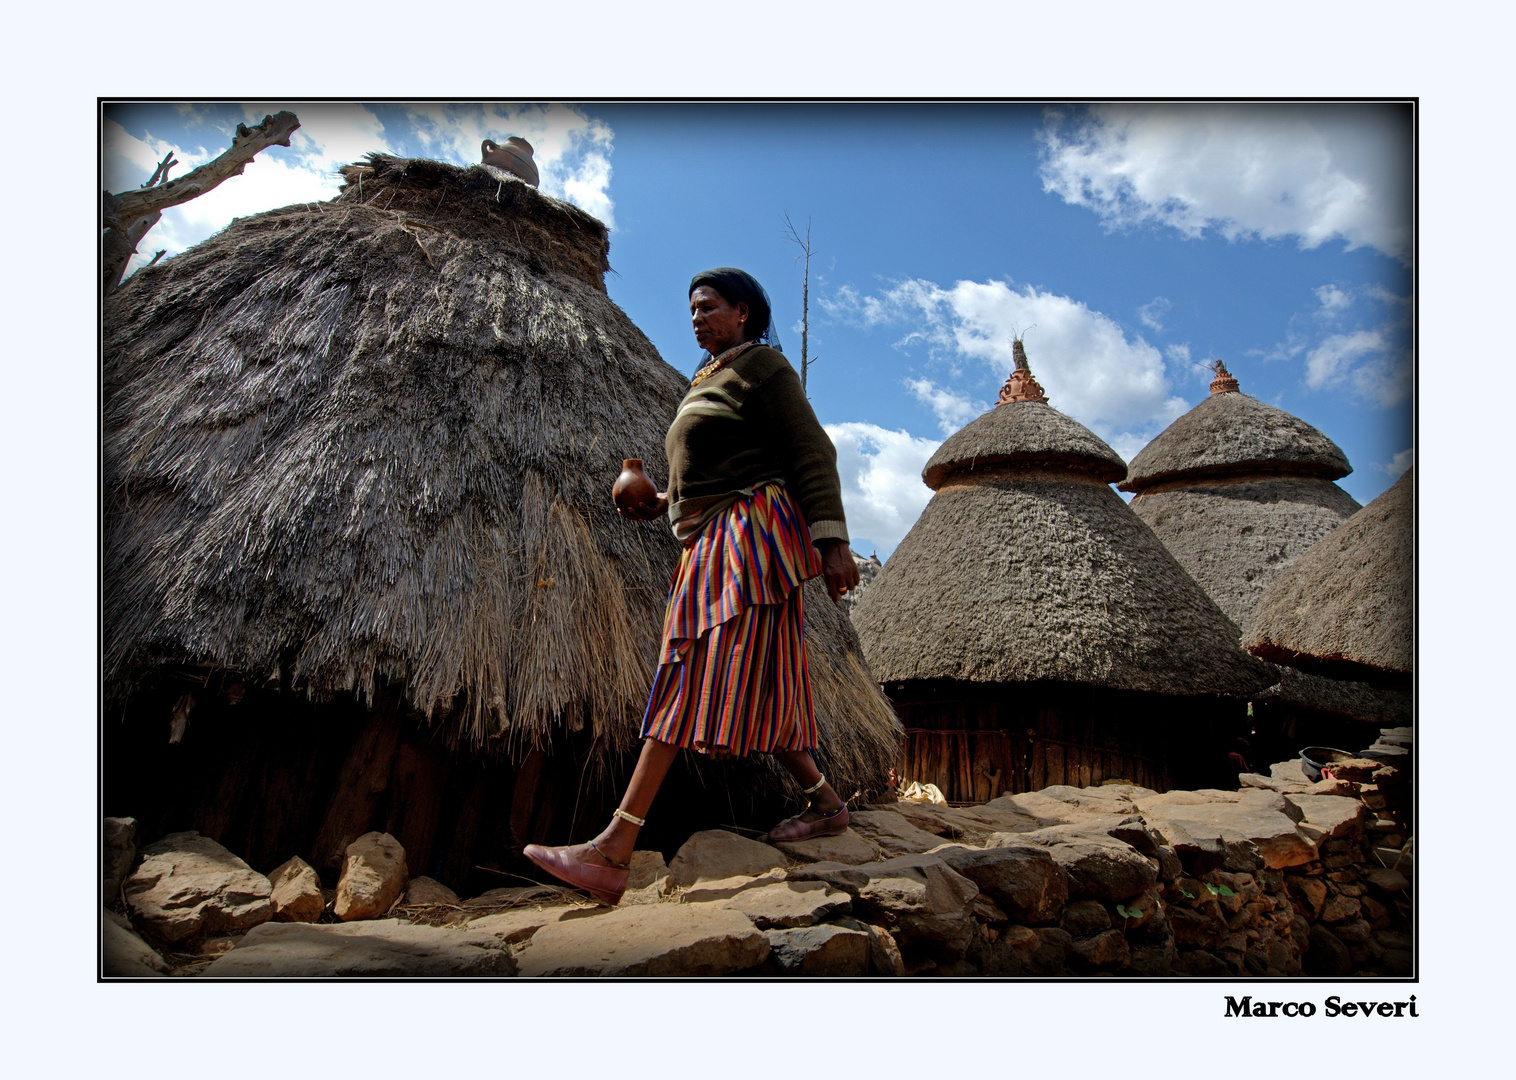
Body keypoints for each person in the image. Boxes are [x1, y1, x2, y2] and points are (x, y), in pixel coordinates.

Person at [524, 267, 861, 906]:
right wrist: (657, 503)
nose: (696, 318)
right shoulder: (704, 382)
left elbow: (811, 451)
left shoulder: (764, 367)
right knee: (763, 679)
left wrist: (834, 542)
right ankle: (827, 804)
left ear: (743, 312)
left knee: (691, 670)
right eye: (691, 310)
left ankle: (612, 850)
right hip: (710, 537)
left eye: (708, 307)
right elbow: (702, 478)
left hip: (749, 535)